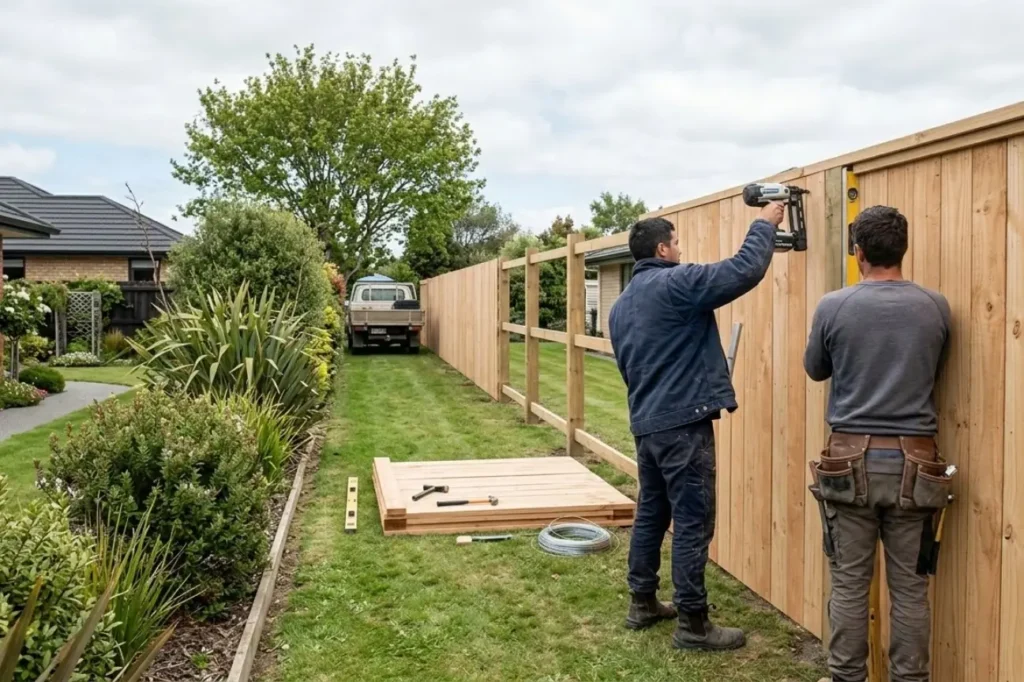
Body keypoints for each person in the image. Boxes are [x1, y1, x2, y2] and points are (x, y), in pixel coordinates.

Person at [608, 202, 784, 650]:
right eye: (678, 243)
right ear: (663, 249)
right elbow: (743, 270)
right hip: (683, 426)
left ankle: (642, 602)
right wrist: (764, 225)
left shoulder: (622, 305)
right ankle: (693, 624)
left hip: (648, 426)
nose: (682, 251)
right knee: (691, 521)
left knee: (652, 513)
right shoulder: (676, 283)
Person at [804, 205, 951, 682]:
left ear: (858, 251)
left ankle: (846, 678)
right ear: (902, 250)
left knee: (849, 582)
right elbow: (934, 366)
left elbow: (815, 369)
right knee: (910, 588)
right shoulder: (935, 306)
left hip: (849, 465)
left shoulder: (834, 306)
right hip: (916, 465)